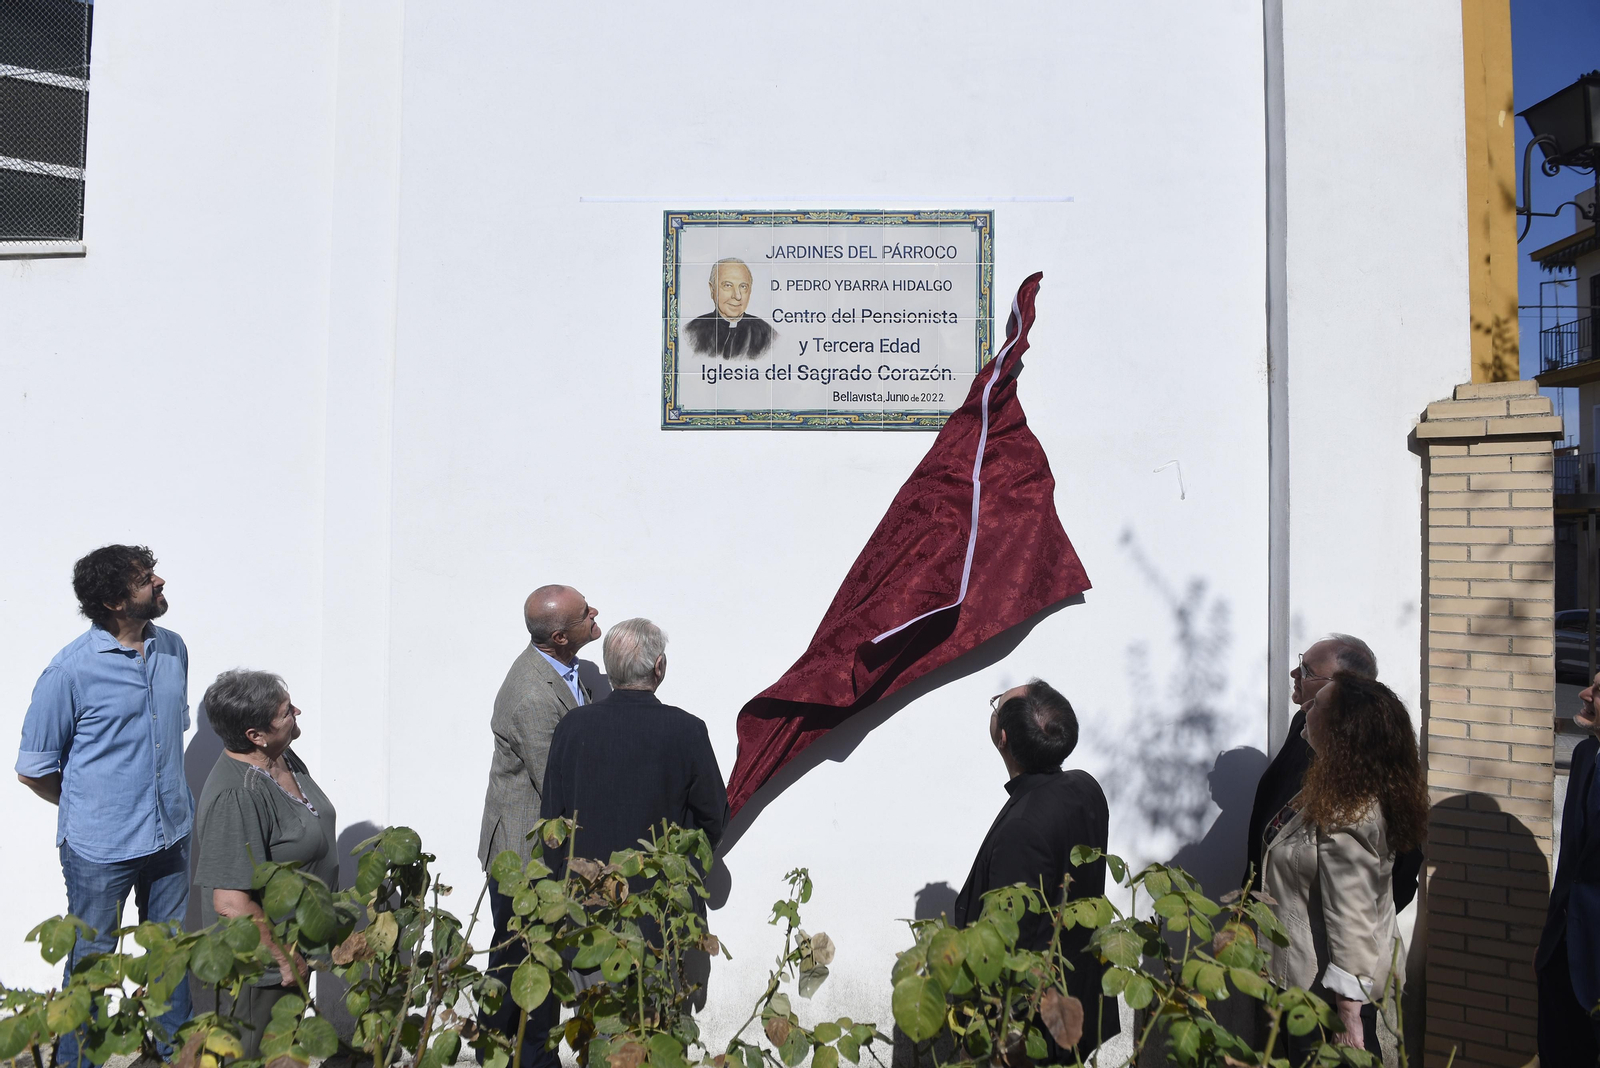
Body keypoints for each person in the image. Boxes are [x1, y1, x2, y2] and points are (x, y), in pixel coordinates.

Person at [15, 545, 193, 1063]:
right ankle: (76, 1062)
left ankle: (172, 1054)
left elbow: (167, 735)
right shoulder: (69, 672)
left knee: (170, 956)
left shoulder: (174, 648)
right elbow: (33, 769)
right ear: (116, 601)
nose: (160, 581)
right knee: (91, 966)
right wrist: (90, 808)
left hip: (171, 836)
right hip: (99, 850)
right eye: (145, 579)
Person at [1260, 673, 1428, 1056]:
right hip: (1308, 982)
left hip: (1326, 997)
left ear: (1342, 729)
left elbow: (1350, 912)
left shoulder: (1347, 809)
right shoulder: (1336, 784)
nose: (1305, 708)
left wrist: (1348, 1017)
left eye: (1317, 704)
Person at [951, 679, 1121, 1057]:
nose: (994, 706)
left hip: (1035, 1026)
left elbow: (1012, 941)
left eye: (996, 704)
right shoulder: (1084, 787)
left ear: (1003, 738)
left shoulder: (1024, 828)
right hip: (1079, 998)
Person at [476, 585, 601, 1068]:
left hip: (540, 846)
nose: (596, 614)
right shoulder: (531, 694)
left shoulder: (565, 671)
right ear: (559, 636)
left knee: (532, 961)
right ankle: (515, 1056)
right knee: (522, 965)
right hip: (523, 855)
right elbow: (557, 777)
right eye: (585, 613)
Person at [193, 670, 338, 1058]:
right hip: (264, 970)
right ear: (255, 735)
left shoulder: (281, 757)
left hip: (294, 955)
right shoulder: (236, 797)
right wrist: (282, 958)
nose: (297, 712)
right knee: (257, 1055)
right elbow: (230, 902)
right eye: (287, 711)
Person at [1245, 634, 1422, 909]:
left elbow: (1396, 874)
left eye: (1306, 671)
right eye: (1300, 663)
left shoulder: (1367, 761)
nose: (1294, 673)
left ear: (1342, 688)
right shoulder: (1302, 724)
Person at [541, 617, 729, 868]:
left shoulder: (572, 726)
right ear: (659, 666)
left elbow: (553, 818)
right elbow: (713, 818)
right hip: (662, 893)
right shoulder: (687, 729)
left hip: (585, 890)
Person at [1536, 669, 1600, 1061]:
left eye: (1599, 689)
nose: (1584, 693)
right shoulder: (1586, 754)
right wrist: (1550, 943)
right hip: (1565, 954)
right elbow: (1572, 860)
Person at [683, 258, 775, 358]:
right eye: (728, 285)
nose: (737, 296)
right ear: (712, 289)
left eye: (743, 286)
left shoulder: (766, 335)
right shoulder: (691, 332)